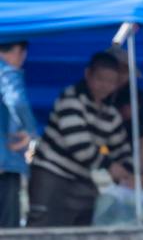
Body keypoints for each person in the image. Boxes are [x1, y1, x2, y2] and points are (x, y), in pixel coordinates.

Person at [28, 49, 130, 227]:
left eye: (111, 82)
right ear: (88, 75)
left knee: (85, 226)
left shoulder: (111, 114)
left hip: (81, 179)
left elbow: (121, 147)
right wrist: (110, 166)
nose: (105, 86)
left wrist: (130, 170)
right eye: (101, 79)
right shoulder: (71, 99)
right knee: (42, 227)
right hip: (51, 174)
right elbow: (80, 148)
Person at [0, 33, 38, 230]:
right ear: (18, 51)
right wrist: (30, 130)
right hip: (4, 164)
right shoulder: (6, 72)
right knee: (6, 233)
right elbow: (16, 100)